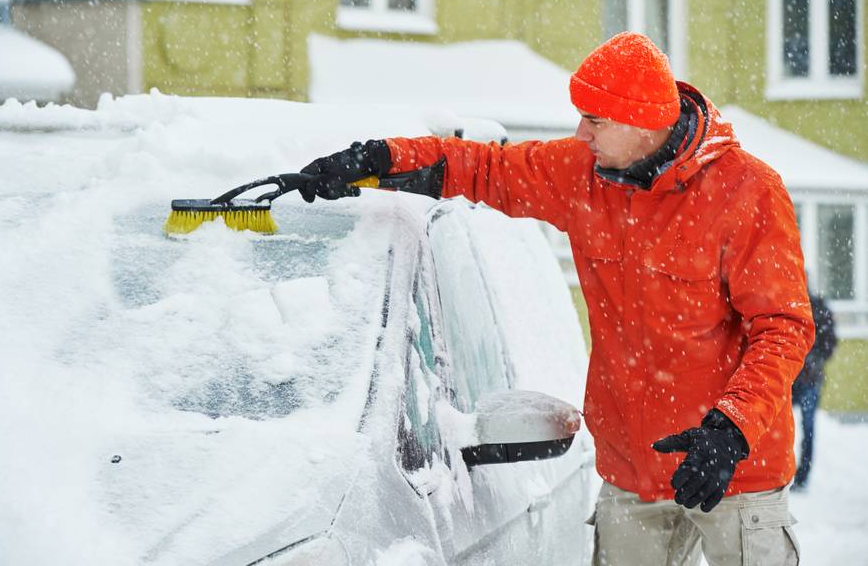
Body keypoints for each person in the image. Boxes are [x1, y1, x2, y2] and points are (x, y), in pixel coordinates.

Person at [298, 32, 815, 565]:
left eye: (595, 120)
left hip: (734, 469)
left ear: (641, 122)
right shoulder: (581, 175)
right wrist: (378, 160)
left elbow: (783, 327)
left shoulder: (746, 191)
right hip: (632, 474)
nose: (580, 132)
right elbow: (479, 169)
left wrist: (730, 429)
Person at [791, 292, 837, 490]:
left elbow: (830, 343)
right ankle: (784, 472)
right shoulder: (790, 303)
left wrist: (813, 360)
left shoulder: (818, 307)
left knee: (808, 428)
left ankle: (802, 476)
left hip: (809, 380)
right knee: (781, 427)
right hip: (791, 378)